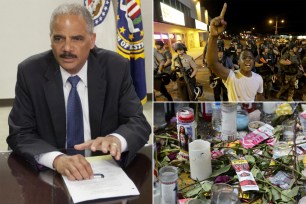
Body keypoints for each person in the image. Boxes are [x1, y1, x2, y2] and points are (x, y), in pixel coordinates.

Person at [7, 3, 151, 181]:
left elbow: (138, 123)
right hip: (52, 175)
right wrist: (57, 159)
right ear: (50, 39)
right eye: (59, 38)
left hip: (104, 171)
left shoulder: (116, 67)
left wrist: (116, 139)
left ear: (92, 41)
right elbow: (19, 133)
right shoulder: (30, 72)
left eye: (76, 39)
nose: (67, 48)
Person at [206, 3, 264, 102]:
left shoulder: (259, 78)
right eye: (244, 58)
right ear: (239, 62)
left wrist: (259, 109)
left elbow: (260, 96)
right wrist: (213, 36)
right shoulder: (231, 76)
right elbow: (212, 63)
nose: (248, 60)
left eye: (250, 58)